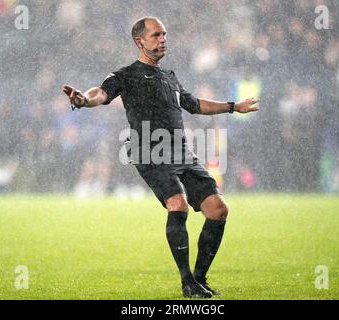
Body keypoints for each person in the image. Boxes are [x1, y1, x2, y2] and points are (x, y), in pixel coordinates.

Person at [63, 16, 259, 298]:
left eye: (165, 34)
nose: (163, 39)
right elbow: (101, 93)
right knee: (177, 204)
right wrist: (83, 100)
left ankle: (199, 281)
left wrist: (232, 107)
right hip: (149, 149)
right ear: (140, 41)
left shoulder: (169, 77)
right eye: (156, 35)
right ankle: (187, 282)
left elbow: (196, 105)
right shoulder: (126, 75)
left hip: (180, 151)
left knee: (218, 209)